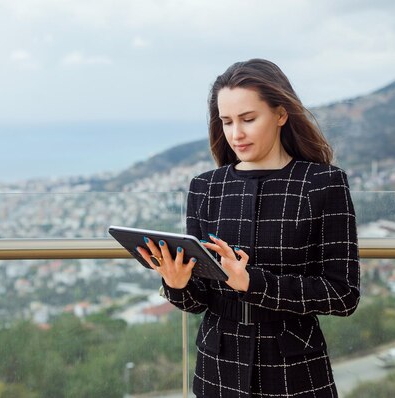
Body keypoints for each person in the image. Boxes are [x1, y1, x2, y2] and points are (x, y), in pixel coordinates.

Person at [136, 59, 360, 397]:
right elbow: (199, 300)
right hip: (218, 368)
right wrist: (177, 283)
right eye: (226, 121)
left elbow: (343, 295)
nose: (236, 133)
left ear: (281, 114)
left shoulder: (321, 183)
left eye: (248, 119)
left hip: (294, 369)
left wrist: (252, 282)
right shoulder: (205, 187)